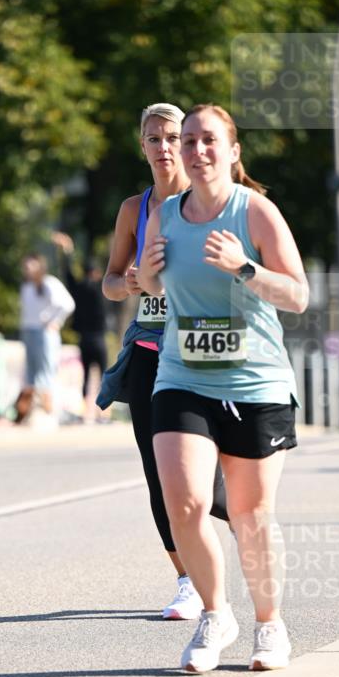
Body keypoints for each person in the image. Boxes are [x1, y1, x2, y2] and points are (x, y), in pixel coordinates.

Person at [139, 103, 308, 671]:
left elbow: (298, 295)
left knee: (250, 514)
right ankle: (215, 614)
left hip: (256, 381)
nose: (196, 150)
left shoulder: (254, 211)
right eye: (188, 140)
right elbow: (150, 285)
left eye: (208, 139)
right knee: (185, 502)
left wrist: (244, 267)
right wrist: (147, 271)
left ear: (233, 151)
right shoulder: (164, 214)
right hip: (181, 376)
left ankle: (269, 623)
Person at [97, 103, 229, 621]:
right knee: (159, 474)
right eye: (154, 138)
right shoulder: (134, 209)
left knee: (213, 478)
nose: (165, 147)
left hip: (202, 349)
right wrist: (127, 283)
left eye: (173, 137)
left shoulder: (209, 201)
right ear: (143, 146)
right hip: (151, 353)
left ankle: (248, 530)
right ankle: (187, 579)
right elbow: (109, 281)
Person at [52, 231, 108, 421]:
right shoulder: (101, 289)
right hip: (99, 338)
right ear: (96, 273)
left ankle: (86, 413)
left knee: (85, 376)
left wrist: (67, 252)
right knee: (104, 376)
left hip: (84, 338)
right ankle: (103, 413)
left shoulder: (79, 289)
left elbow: (68, 274)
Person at [19, 253, 75, 419]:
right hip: (29, 330)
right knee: (30, 372)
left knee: (46, 370)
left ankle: (48, 410)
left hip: (44, 332)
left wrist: (55, 321)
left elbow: (68, 304)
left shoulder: (49, 282)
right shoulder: (27, 286)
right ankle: (26, 412)